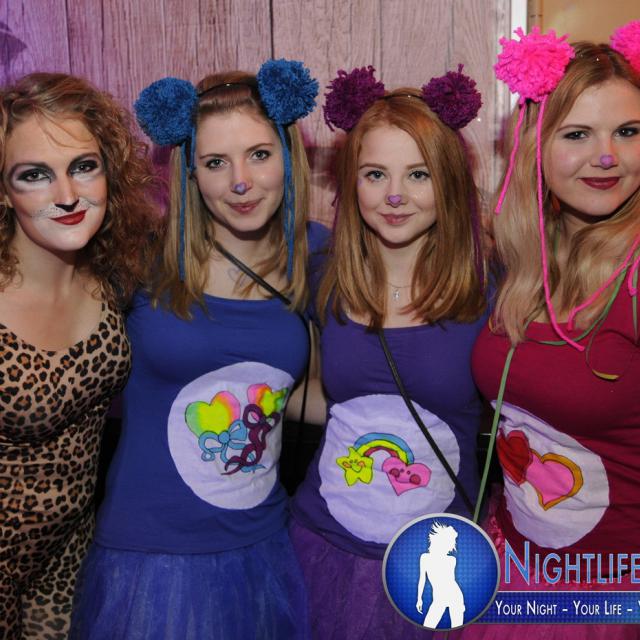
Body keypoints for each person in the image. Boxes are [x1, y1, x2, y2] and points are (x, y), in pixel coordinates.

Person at [70, 60, 320, 640]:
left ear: (289, 157)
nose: (240, 181)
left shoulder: (318, 256)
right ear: (190, 171)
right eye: (215, 162)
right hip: (148, 556)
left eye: (259, 154)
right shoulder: (140, 259)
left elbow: (302, 393)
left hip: (261, 547)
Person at [289, 65, 489, 638]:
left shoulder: (490, 287)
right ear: (352, 182)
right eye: (376, 174)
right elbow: (322, 397)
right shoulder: (324, 274)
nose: (395, 195)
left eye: (418, 174)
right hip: (326, 542)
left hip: (437, 551)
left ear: (448, 181)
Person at [463, 22, 640, 639]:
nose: (607, 155)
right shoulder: (523, 259)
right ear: (535, 146)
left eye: (628, 131)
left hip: (611, 596)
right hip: (514, 567)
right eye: (577, 134)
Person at [0, 72, 157, 640]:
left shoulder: (114, 276)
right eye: (34, 175)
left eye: (83, 166)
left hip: (70, 556)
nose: (66, 195)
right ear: (4, 191)